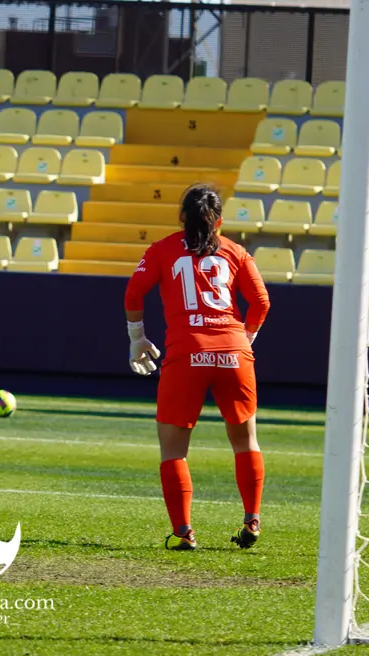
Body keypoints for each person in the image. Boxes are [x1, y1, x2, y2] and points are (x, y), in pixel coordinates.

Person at [123, 184, 270, 551]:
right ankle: (252, 520)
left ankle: (183, 532)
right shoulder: (236, 252)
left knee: (173, 449)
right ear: (219, 221)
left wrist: (137, 338)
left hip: (187, 351)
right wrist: (245, 339)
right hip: (234, 352)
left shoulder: (162, 250)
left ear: (181, 218)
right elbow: (261, 302)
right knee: (245, 441)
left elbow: (133, 293)